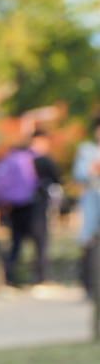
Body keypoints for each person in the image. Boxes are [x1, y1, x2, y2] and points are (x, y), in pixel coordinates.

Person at [0, 131, 60, 286]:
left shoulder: (12, 158)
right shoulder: (42, 160)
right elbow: (57, 179)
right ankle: (41, 278)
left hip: (14, 208)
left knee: (16, 243)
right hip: (36, 207)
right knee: (40, 244)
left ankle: (9, 278)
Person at [73, 116, 100, 298]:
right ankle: (89, 286)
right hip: (93, 199)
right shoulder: (87, 150)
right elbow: (80, 174)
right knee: (89, 240)